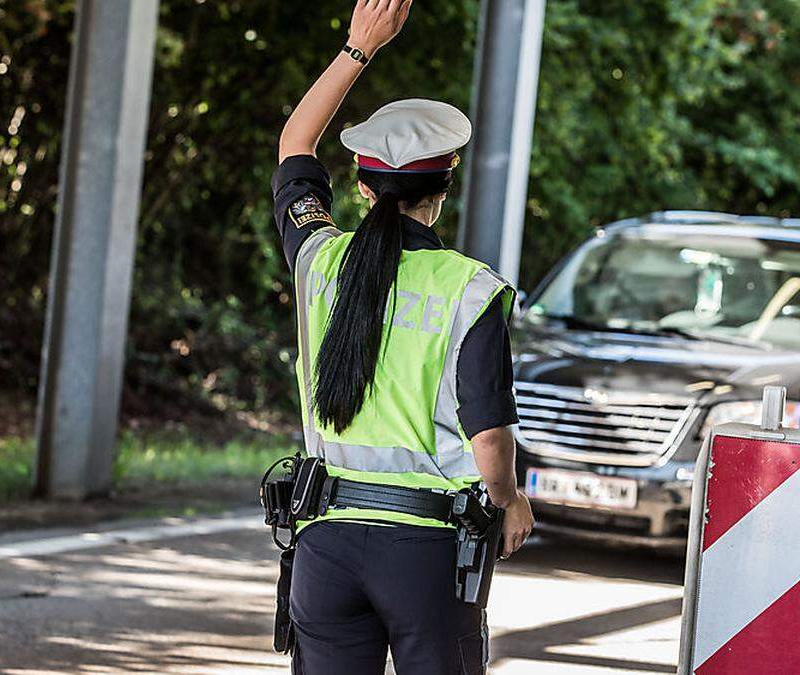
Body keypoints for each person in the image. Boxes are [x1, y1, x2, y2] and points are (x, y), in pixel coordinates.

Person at [270, 1, 533, 672]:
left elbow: (295, 146)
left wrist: (360, 47)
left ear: (360, 186)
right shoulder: (470, 287)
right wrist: (508, 499)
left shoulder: (318, 262)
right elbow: (489, 433)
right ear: (444, 186)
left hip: (323, 548)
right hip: (426, 557)